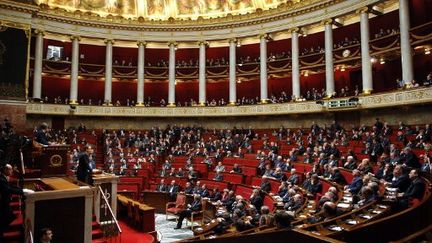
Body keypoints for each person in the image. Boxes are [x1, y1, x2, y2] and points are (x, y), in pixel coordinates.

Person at [1, 164, 33, 237]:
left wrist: (22, 189)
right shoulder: (1, 179)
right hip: (3, 203)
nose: (12, 171)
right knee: (8, 217)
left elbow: (10, 186)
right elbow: (8, 189)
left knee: (10, 216)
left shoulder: (4, 177)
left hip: (5, 202)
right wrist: (22, 191)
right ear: (5, 170)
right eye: (10, 169)